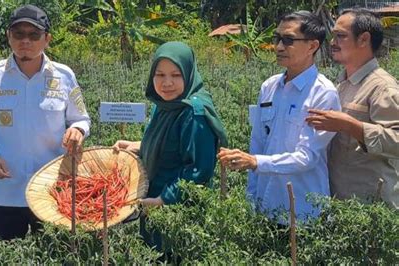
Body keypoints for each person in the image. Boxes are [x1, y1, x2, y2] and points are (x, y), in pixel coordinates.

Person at [0, 4, 91, 240]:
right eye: (18, 34)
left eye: (34, 35)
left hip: (52, 192)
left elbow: (81, 118)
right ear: (8, 36)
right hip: (4, 193)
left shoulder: (64, 76)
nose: (26, 40)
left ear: (47, 39)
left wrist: (77, 130)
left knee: (53, 255)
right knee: (3, 256)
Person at [218, 11, 341, 222]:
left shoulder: (323, 93)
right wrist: (252, 199)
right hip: (265, 206)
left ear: (312, 46)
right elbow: (258, 143)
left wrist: (255, 162)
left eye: (288, 40)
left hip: (303, 212)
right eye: (277, 39)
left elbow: (307, 157)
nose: (279, 47)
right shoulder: (269, 86)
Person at [113, 41, 228, 251]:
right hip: (153, 199)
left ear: (188, 73)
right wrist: (139, 145)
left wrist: (164, 199)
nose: (167, 83)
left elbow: (198, 170)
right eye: (160, 75)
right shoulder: (166, 105)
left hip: (177, 209)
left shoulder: (193, 114)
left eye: (176, 75)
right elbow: (170, 144)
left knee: (173, 254)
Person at [306, 8, 399, 209]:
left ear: (364, 39)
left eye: (340, 36)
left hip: (370, 208)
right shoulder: (341, 84)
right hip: (339, 202)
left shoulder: (383, 87)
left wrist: (352, 126)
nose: (332, 43)